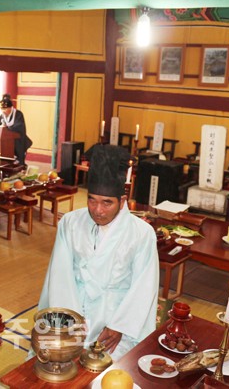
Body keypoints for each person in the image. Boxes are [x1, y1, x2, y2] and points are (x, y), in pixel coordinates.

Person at [38, 144, 159, 360]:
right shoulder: (70, 222)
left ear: (122, 201)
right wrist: (70, 320)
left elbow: (144, 285)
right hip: (72, 309)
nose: (98, 210)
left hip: (116, 317)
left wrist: (119, 326)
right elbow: (60, 275)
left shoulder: (142, 233)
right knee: (52, 362)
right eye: (92, 200)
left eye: (107, 203)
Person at [0, 94, 32, 165]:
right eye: (2, 109)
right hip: (7, 141)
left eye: (5, 109)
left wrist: (7, 128)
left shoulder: (18, 114)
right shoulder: (2, 115)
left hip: (18, 140)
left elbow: (19, 126)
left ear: (11, 107)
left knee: (18, 159)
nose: (3, 111)